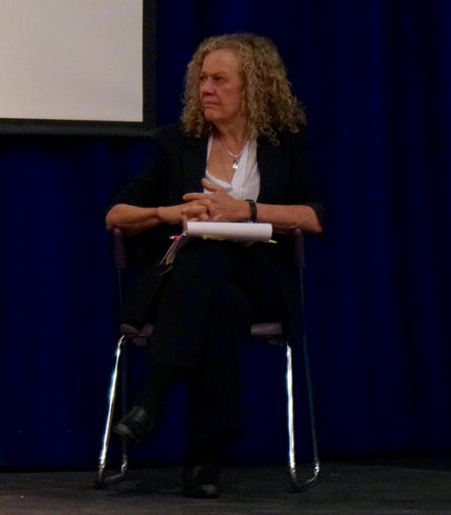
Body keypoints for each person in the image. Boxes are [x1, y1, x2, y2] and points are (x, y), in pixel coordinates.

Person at [104, 33, 323, 498]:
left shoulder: (285, 144)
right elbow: (116, 216)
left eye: (220, 80)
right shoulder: (177, 143)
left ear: (253, 88)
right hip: (193, 285)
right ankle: (205, 459)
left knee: (213, 257)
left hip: (262, 277)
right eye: (202, 79)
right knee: (220, 298)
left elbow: (314, 217)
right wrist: (170, 213)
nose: (206, 89)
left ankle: (154, 395)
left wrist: (244, 211)